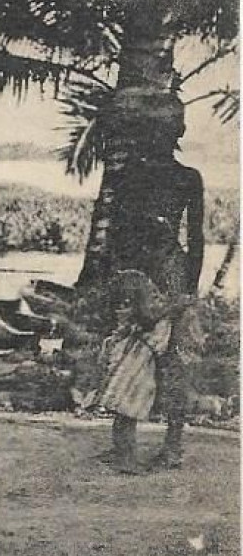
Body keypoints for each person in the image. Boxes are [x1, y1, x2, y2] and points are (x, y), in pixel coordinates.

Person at [85, 100, 205, 473]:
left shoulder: (167, 178)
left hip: (156, 271)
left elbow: (194, 238)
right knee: (136, 355)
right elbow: (193, 240)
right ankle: (139, 447)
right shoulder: (167, 177)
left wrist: (186, 290)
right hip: (151, 271)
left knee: (159, 359)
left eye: (165, 130)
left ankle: (164, 447)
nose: (161, 138)